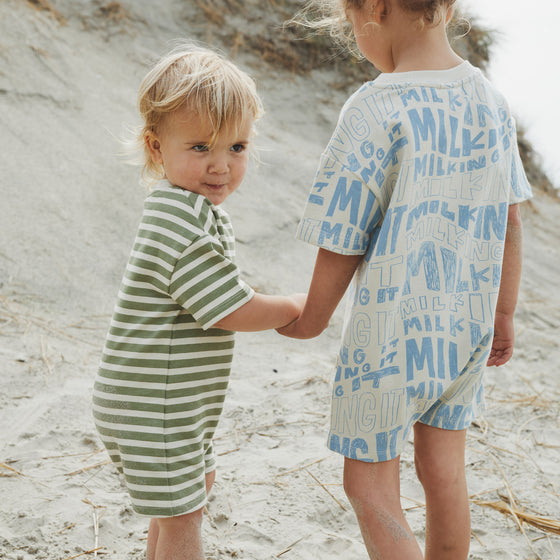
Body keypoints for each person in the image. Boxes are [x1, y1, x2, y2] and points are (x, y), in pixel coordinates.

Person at [278, 1, 532, 558]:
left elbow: (343, 233)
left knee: (367, 483)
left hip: (388, 333)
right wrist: (503, 313)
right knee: (444, 471)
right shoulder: (490, 101)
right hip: (465, 328)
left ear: (375, 8)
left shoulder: (374, 108)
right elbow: (510, 217)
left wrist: (312, 319)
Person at [92, 44, 305, 560]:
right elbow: (229, 308)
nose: (220, 166)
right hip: (154, 405)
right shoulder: (178, 220)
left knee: (187, 495)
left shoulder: (191, 210)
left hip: (171, 404)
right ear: (155, 148)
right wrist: (295, 306)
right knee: (184, 515)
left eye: (237, 147)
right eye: (201, 147)